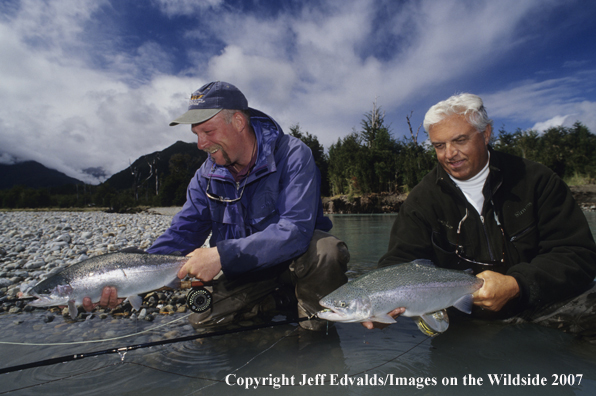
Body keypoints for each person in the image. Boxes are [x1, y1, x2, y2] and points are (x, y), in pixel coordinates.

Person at [85, 81, 349, 330]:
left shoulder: (292, 154)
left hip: (296, 263)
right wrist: (129, 280)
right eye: (196, 135)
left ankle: (317, 340)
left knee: (326, 250)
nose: (201, 144)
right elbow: (182, 233)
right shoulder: (205, 176)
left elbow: (295, 231)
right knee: (202, 317)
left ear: (237, 121)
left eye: (208, 132)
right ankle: (282, 301)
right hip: (246, 270)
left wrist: (221, 255)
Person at [363, 93, 596, 336]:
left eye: (460, 140)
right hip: (464, 318)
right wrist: (378, 305)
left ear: (486, 134)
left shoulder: (537, 180)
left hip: (542, 301)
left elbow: (578, 255)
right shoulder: (422, 200)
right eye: (439, 146)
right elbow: (398, 264)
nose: (449, 154)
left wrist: (518, 284)